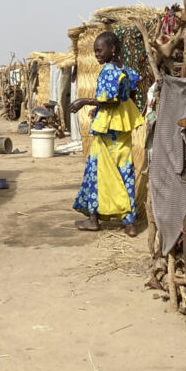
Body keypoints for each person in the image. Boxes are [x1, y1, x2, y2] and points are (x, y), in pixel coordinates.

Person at [68, 31, 144, 237]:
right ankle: (129, 223)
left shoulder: (109, 70)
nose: (96, 55)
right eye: (94, 51)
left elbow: (111, 99)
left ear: (113, 49)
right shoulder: (125, 70)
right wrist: (104, 110)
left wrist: (84, 101)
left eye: (100, 50)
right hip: (122, 129)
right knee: (124, 172)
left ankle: (94, 219)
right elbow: (130, 94)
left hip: (107, 132)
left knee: (96, 172)